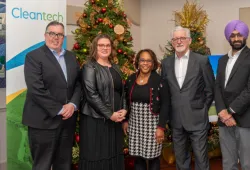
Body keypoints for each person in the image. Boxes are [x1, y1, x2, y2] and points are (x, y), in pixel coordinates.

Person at [23, 21, 81, 170]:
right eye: (52, 33)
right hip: (43, 122)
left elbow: (78, 84)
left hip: (67, 122)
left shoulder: (71, 57)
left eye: (60, 34)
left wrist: (73, 105)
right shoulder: (33, 57)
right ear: (45, 35)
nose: (56, 37)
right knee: (42, 165)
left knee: (64, 164)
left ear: (63, 37)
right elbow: (36, 89)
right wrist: (61, 109)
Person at [161, 26, 215, 170]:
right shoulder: (166, 63)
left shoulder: (201, 61)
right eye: (175, 39)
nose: (179, 41)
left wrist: (202, 108)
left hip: (197, 119)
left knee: (201, 159)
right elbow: (165, 91)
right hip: (176, 120)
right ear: (172, 43)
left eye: (182, 38)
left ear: (189, 40)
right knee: (181, 159)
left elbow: (210, 89)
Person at [79, 34, 127, 170]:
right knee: (97, 155)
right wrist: (109, 114)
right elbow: (91, 94)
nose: (105, 48)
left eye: (107, 45)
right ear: (95, 47)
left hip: (115, 120)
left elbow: (122, 91)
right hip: (96, 120)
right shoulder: (90, 67)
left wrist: (124, 109)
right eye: (101, 45)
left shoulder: (115, 67)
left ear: (111, 48)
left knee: (113, 152)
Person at [122, 49, 170, 170]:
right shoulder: (131, 78)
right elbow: (126, 101)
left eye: (149, 60)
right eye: (142, 60)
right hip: (135, 124)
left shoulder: (159, 80)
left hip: (153, 125)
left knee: (153, 158)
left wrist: (161, 127)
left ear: (153, 63)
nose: (145, 63)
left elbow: (165, 104)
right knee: (138, 157)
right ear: (138, 62)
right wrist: (125, 120)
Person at [215, 20, 250, 170]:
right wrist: (222, 111)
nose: (236, 39)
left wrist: (230, 111)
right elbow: (217, 87)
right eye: (233, 35)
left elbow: (249, 90)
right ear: (228, 38)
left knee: (247, 162)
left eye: (239, 35)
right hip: (224, 118)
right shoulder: (222, 60)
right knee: (228, 163)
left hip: (245, 118)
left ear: (245, 36)